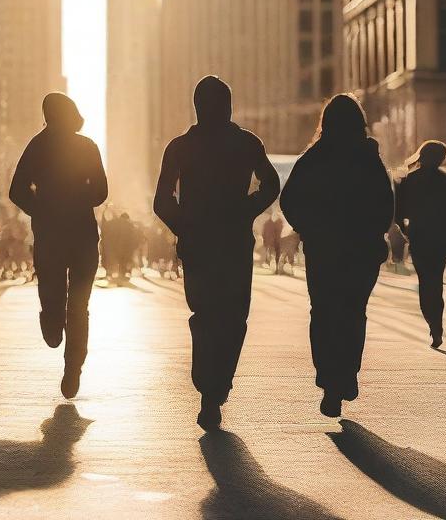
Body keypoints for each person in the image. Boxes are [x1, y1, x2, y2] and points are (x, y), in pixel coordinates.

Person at [154, 75, 280, 431]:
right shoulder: (247, 144)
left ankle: (209, 390)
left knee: (204, 315)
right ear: (228, 105)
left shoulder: (179, 148)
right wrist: (249, 209)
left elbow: (162, 200)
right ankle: (217, 388)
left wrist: (185, 226)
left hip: (197, 245)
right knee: (233, 318)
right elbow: (271, 183)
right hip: (235, 243)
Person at [280, 94, 393, 418]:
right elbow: (386, 204)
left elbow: (289, 199)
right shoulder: (368, 158)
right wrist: (374, 232)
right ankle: (347, 375)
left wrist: (308, 228)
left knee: (324, 311)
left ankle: (329, 379)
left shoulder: (314, 158)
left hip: (323, 249)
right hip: (361, 249)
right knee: (354, 312)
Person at [10, 93, 108, 399]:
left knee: (52, 293)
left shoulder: (37, 146)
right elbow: (102, 191)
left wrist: (41, 208)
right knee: (80, 306)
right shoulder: (87, 146)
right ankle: (73, 369)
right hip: (82, 234)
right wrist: (80, 200)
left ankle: (51, 324)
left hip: (50, 233)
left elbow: (16, 190)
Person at [395, 140, 446, 348]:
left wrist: (405, 229)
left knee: (426, 281)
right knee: (435, 281)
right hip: (440, 238)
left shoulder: (410, 180)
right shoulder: (444, 181)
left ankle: (432, 322)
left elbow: (398, 211)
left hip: (419, 235)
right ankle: (437, 326)